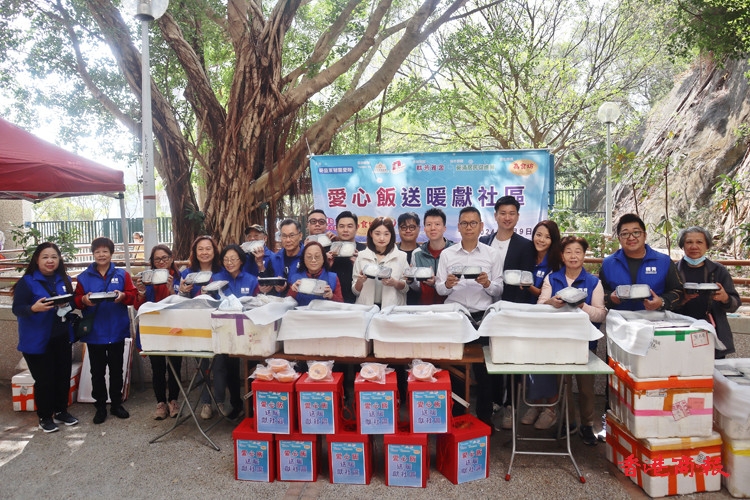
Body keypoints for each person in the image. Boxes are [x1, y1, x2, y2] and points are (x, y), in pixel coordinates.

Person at [436, 206, 504, 429]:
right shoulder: (447, 254)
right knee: (454, 368)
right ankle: (456, 418)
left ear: (481, 226)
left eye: (473, 223)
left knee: (483, 371)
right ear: (458, 227)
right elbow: (439, 289)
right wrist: (447, 284)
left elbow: (499, 289)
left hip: (482, 317)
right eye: (464, 223)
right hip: (455, 317)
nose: (468, 227)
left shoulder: (492, 254)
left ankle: (484, 418)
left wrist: (487, 283)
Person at [539, 235, 607, 445]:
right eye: (568, 252)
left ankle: (587, 425)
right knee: (563, 385)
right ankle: (568, 423)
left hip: (585, 343)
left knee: (586, 388)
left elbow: (600, 314)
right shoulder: (552, 278)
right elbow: (539, 308)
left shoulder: (593, 282)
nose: (573, 256)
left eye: (578, 252)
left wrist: (582, 306)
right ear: (562, 256)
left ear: (584, 255)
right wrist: (551, 302)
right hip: (558, 341)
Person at [479, 195, 535, 428]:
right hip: (485, 308)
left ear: (518, 217)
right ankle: (493, 401)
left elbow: (527, 279)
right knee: (489, 357)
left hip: (512, 309)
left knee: (511, 359)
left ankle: (510, 405)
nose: (507, 217)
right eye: (503, 213)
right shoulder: (484, 241)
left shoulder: (525, 245)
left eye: (512, 213)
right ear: (495, 216)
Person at [12, 242, 79, 433]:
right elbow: (18, 308)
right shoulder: (27, 282)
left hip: (61, 336)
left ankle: (61, 411)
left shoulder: (64, 279)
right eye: (45, 257)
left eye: (54, 257)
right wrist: (34, 308)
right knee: (45, 380)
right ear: (37, 259)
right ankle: (45, 416)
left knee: (63, 376)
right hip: (36, 340)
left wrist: (66, 305)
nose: (50, 261)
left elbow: (72, 302)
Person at [74, 237, 137, 424]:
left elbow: (133, 296)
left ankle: (116, 404)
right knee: (97, 372)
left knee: (117, 370)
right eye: (97, 252)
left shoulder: (122, 275)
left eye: (105, 251)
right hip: (95, 333)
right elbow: (76, 300)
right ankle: (100, 406)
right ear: (93, 254)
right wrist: (84, 300)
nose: (101, 255)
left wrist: (123, 295)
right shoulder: (83, 277)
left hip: (117, 330)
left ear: (111, 253)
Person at [200, 244, 259, 421]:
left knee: (252, 367)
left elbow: (258, 303)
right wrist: (204, 293)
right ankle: (236, 404)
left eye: (233, 259)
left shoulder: (251, 279)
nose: (229, 262)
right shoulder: (216, 279)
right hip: (225, 332)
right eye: (226, 259)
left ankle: (254, 405)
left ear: (241, 260)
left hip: (249, 331)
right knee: (230, 368)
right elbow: (208, 302)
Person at [518, 220, 562, 429]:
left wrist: (529, 287)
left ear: (553, 240)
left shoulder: (556, 263)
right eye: (538, 234)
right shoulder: (527, 256)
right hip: (527, 318)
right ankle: (535, 405)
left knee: (546, 363)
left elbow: (549, 296)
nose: (541, 240)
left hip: (547, 321)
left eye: (547, 236)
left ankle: (550, 409)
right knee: (530, 362)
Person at [673, 226, 740, 358]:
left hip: (713, 331)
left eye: (699, 242)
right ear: (682, 245)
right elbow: (664, 302)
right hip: (681, 330)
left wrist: (725, 298)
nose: (694, 246)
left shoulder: (719, 270)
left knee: (713, 368)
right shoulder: (673, 270)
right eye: (689, 242)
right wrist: (682, 299)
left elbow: (735, 304)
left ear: (707, 246)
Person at [134, 244, 183, 420]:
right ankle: (160, 403)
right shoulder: (147, 279)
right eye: (157, 259)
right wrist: (141, 293)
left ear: (171, 258)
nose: (161, 261)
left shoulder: (179, 277)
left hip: (175, 327)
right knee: (158, 367)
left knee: (175, 366)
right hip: (153, 329)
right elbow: (138, 306)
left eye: (164, 258)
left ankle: (173, 401)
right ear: (152, 262)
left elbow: (185, 304)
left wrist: (172, 291)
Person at [599, 213, 683, 311]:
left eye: (636, 232)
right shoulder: (608, 264)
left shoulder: (664, 262)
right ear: (619, 239)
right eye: (625, 234)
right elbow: (600, 292)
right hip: (619, 317)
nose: (631, 238)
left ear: (645, 235)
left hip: (656, 317)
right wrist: (610, 298)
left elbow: (679, 291)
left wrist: (661, 302)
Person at [352, 217, 409, 307]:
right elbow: (355, 292)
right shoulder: (361, 256)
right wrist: (360, 282)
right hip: (366, 308)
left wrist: (395, 283)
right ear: (371, 233)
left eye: (386, 234)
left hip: (392, 308)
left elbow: (406, 288)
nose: (382, 238)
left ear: (391, 235)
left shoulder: (401, 256)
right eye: (377, 234)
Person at [412, 208, 454, 305]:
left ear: (444, 228)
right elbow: (417, 288)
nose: (433, 228)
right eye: (429, 224)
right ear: (424, 228)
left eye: (437, 224)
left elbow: (460, 284)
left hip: (450, 308)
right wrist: (411, 281)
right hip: (424, 308)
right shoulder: (417, 253)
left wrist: (436, 282)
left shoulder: (454, 251)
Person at [288, 241, 343, 305]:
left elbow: (341, 304)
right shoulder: (295, 278)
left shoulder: (332, 277)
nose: (313, 260)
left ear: (323, 258)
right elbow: (287, 303)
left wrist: (331, 296)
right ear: (303, 259)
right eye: (309, 257)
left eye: (317, 256)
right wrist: (293, 291)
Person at [329, 211, 366, 304]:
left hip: (357, 302)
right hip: (332, 301)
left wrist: (359, 265)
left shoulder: (364, 251)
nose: (345, 230)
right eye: (341, 226)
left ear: (356, 228)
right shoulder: (329, 251)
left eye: (349, 226)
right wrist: (326, 265)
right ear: (336, 228)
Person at [267, 219, 304, 296]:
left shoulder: (307, 257)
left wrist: (286, 288)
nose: (288, 240)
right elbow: (270, 286)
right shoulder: (274, 259)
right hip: (278, 302)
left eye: (292, 235)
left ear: (300, 236)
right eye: (284, 236)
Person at [397, 212, 421, 305]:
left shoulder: (423, 253)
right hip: (396, 303)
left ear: (418, 229)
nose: (408, 230)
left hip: (420, 304)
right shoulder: (392, 253)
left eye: (412, 227)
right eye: (404, 227)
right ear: (399, 229)